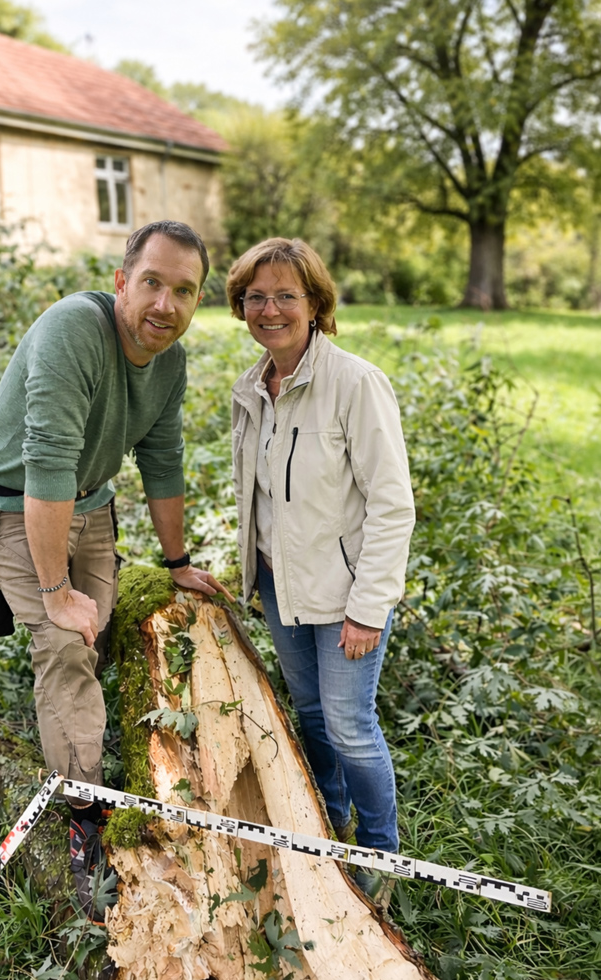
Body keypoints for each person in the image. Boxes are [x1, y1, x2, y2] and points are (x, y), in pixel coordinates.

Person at [0, 220, 231, 919]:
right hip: (15, 502)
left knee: (98, 630)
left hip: (90, 502)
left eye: (184, 291)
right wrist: (56, 592)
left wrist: (176, 562)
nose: (165, 305)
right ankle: (84, 816)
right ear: (122, 282)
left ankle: (75, 717)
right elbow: (48, 462)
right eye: (152, 282)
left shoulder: (169, 363)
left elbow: (163, 460)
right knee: (64, 640)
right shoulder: (73, 330)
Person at [227, 238, 415, 885]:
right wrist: (249, 576)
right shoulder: (250, 388)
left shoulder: (355, 384)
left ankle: (379, 858)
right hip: (279, 588)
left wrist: (369, 608)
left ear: (315, 304)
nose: (270, 309)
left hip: (344, 597)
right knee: (309, 714)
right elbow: (257, 497)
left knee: (349, 727)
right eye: (256, 297)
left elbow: (392, 505)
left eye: (286, 295)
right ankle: (327, 827)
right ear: (241, 306)